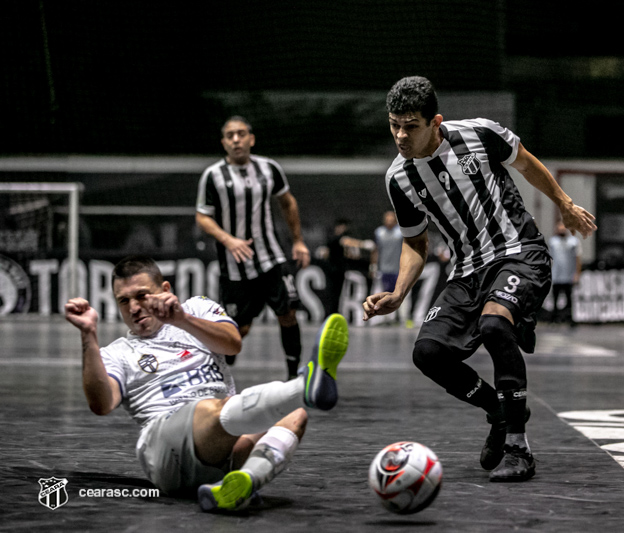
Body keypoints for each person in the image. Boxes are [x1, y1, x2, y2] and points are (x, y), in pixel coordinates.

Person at [362, 76, 596, 482]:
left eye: (410, 125)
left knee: (494, 324)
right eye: (394, 124)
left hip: (518, 252)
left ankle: (519, 448)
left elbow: (526, 162)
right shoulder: (398, 178)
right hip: (467, 271)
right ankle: (500, 410)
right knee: (428, 353)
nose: (400, 135)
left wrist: (565, 204)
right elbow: (415, 242)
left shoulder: (479, 133)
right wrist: (399, 293)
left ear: (435, 122)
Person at [64, 256, 349, 511]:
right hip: (167, 452)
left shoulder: (196, 308)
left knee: (294, 415)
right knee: (214, 408)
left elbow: (232, 343)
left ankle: (241, 483)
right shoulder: (117, 352)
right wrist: (88, 334)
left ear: (165, 291)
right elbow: (102, 405)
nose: (135, 307)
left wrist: (182, 319)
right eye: (124, 301)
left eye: (141, 296)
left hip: (221, 450)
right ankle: (303, 388)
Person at [196, 116, 311, 378]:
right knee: (239, 329)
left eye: (241, 134)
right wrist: (229, 239)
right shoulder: (213, 176)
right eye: (230, 135)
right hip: (234, 266)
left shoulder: (269, 168)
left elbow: (288, 202)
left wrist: (298, 241)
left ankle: (294, 377)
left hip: (271, 257)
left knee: (288, 313)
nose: (236, 139)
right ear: (224, 143)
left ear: (251, 138)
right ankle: (220, 370)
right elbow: (202, 216)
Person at [548, 221, 582, 327]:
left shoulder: (574, 241)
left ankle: (570, 319)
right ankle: (554, 319)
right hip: (556, 275)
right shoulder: (552, 241)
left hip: (568, 275)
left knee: (569, 298)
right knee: (555, 298)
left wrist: (577, 273)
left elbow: (578, 258)